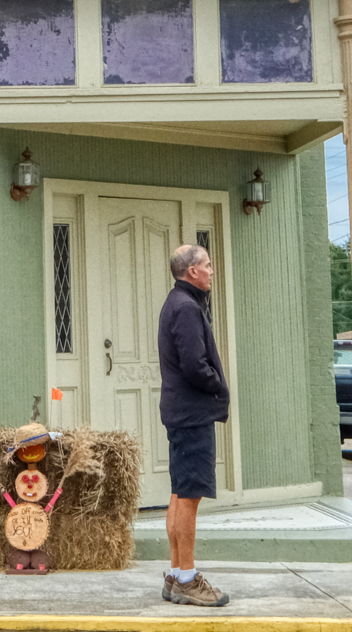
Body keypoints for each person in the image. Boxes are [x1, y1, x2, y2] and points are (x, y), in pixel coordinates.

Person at [157, 241, 230, 607]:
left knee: (179, 493)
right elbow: (193, 364)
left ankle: (174, 574)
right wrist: (217, 382)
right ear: (192, 272)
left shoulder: (178, 302)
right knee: (189, 497)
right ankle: (186, 578)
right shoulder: (186, 307)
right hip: (191, 415)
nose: (212, 270)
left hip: (181, 414)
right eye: (208, 264)